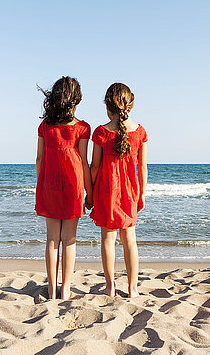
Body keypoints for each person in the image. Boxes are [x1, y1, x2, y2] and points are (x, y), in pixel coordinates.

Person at [35, 76, 93, 300]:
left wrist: (41, 183)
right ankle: (66, 289)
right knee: (69, 239)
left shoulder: (44, 126)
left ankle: (51, 290)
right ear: (75, 99)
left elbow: (39, 159)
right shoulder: (82, 128)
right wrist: (89, 192)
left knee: (52, 239)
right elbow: (83, 163)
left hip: (49, 184)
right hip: (73, 186)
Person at [90, 82, 148, 298]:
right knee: (130, 239)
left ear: (107, 106)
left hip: (107, 188)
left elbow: (94, 166)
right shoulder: (139, 132)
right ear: (130, 105)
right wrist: (141, 192)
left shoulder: (101, 132)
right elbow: (142, 167)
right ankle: (133, 289)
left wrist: (90, 192)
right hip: (129, 190)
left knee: (108, 239)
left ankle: (110, 287)